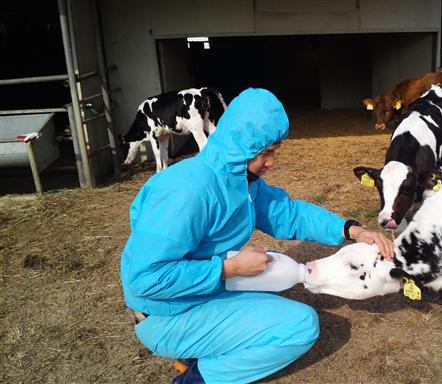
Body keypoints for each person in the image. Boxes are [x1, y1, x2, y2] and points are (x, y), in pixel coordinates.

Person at [120, 88, 394, 384]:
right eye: (266, 152)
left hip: (195, 295)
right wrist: (228, 269)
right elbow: (145, 278)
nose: (272, 162)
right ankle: (194, 378)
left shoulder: (239, 180)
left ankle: (203, 347)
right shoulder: (188, 191)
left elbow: (287, 213)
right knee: (300, 326)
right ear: (241, 144)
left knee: (269, 284)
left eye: (274, 151)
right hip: (165, 315)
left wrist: (352, 229)